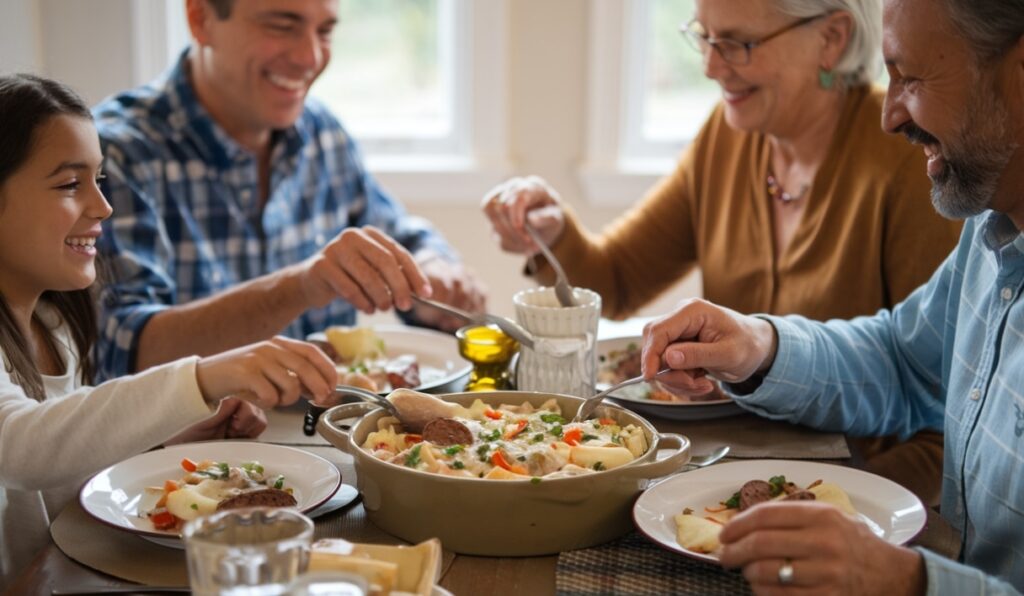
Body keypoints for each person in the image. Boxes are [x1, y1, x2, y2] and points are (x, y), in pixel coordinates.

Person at [481, 0, 961, 505]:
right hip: (728, 468)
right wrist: (553, 233)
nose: (710, 66)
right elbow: (617, 281)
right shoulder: (727, 135)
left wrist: (829, 502)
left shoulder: (908, 160)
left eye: (737, 43)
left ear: (832, 38)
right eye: (704, 38)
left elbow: (940, 414)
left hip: (860, 492)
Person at [639, 0, 1024, 591]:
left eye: (912, 79)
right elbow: (902, 363)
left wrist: (906, 582)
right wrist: (759, 346)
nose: (889, 116)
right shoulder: (993, 225)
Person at [0, 74, 341, 589]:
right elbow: (23, 450)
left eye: (100, 179)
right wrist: (201, 378)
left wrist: (167, 435)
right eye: (71, 184)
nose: (102, 206)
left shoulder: (53, 326)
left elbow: (60, 469)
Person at [91, 0, 486, 381]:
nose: (310, 57)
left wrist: (433, 269)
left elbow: (398, 234)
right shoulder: (115, 153)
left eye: (325, 30)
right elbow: (123, 351)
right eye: (282, 25)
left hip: (325, 441)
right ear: (200, 18)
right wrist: (302, 285)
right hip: (192, 449)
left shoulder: (322, 133)